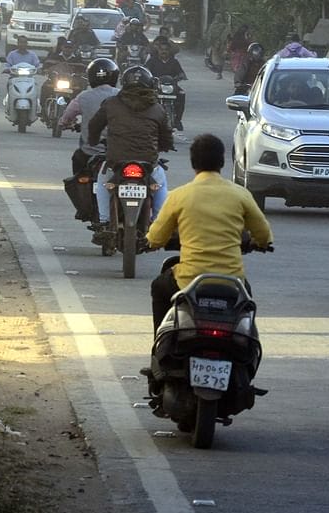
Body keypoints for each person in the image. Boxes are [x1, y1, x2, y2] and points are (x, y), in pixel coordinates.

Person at [145, 133, 273, 333]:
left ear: (193, 163)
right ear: (222, 161)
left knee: (159, 288)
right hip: (232, 281)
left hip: (187, 280)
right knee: (246, 305)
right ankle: (249, 346)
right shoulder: (241, 194)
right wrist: (260, 243)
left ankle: (159, 345)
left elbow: (155, 237)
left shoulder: (179, 195)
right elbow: (263, 234)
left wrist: (150, 244)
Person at [86, 66, 174, 242]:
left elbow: (94, 126)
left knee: (103, 181)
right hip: (148, 163)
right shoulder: (157, 108)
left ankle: (104, 221)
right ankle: (158, 222)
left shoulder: (111, 103)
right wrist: (165, 146)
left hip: (115, 162)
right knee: (160, 183)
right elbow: (166, 135)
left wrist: (93, 141)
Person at [59, 58, 120, 175]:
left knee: (77, 159)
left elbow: (67, 116)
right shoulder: (121, 95)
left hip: (90, 152)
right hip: (118, 152)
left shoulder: (83, 96)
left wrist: (64, 123)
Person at [144, 37, 188, 131]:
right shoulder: (152, 60)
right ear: (158, 50)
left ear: (169, 51)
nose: (164, 52)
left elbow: (181, 73)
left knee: (182, 94)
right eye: (162, 49)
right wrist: (148, 77)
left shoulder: (174, 62)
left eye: (166, 50)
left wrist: (180, 76)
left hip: (172, 87)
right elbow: (145, 70)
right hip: (155, 86)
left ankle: (177, 120)